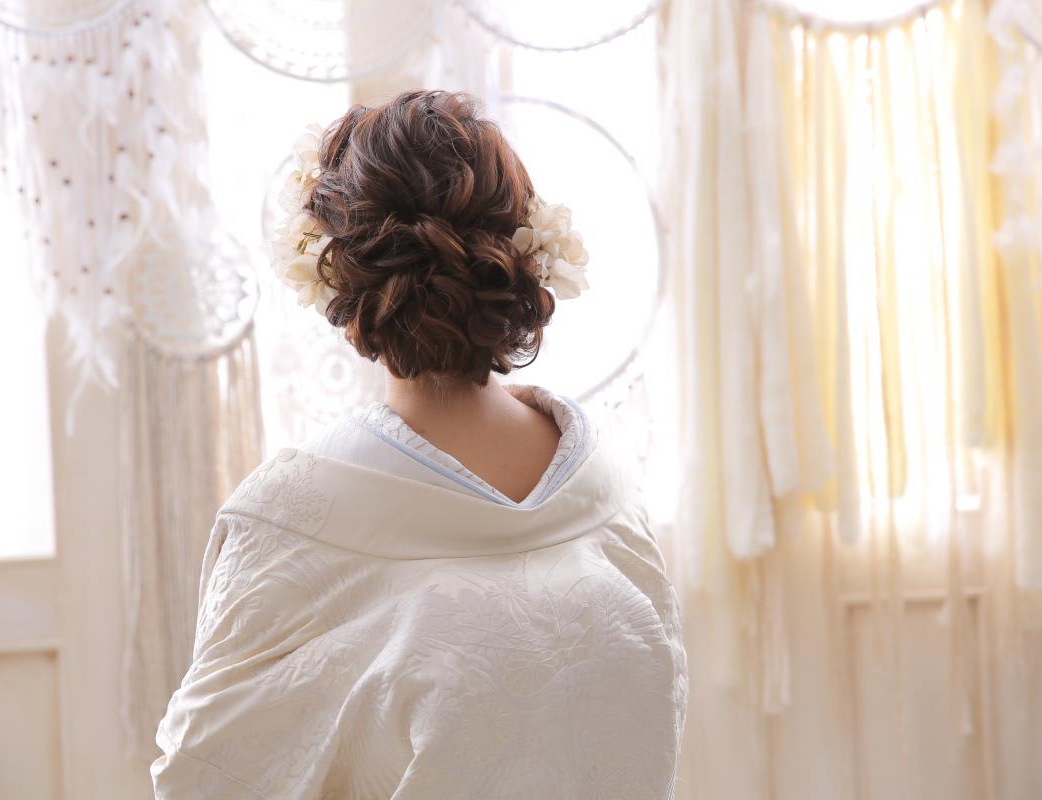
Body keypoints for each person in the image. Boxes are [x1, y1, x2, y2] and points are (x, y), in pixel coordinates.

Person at [151, 89, 687, 799]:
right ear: (523, 249)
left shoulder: (290, 520)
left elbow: (205, 776)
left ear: (337, 273)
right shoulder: (609, 492)